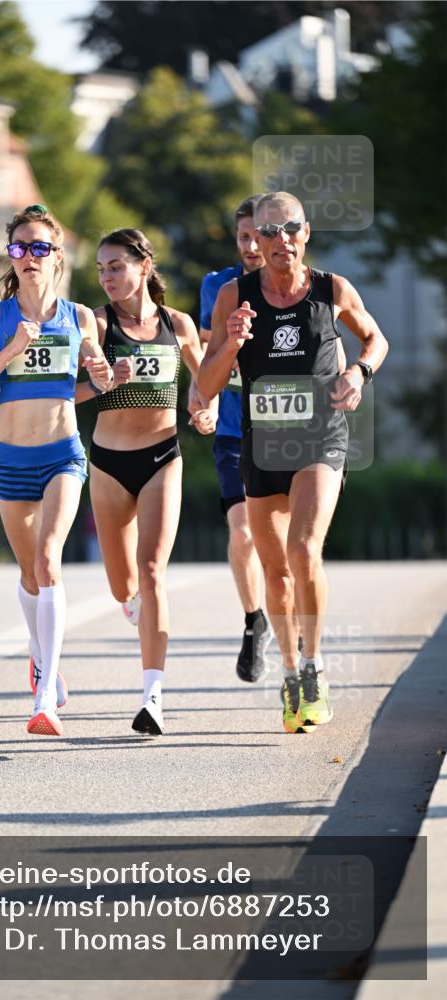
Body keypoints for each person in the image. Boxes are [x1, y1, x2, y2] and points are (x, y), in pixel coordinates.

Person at [198, 192, 388, 734]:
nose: (281, 240)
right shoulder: (235, 295)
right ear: (254, 240)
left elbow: (376, 339)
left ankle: (315, 665)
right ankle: (288, 672)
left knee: (304, 550)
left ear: (307, 234)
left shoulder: (332, 290)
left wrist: (359, 373)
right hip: (262, 451)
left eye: (291, 229)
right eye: (269, 232)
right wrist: (230, 345)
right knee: (275, 572)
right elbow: (205, 388)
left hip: (320, 441)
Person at [0, 204, 112, 737]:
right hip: (11, 459)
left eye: (40, 247)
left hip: (63, 453)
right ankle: (40, 658)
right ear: (10, 257)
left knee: (48, 560)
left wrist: (105, 372)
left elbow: (94, 383)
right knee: (29, 574)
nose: (29, 256)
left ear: (58, 256)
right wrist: (9, 350)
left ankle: (45, 697)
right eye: (19, 248)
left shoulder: (81, 317)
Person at [81, 228, 203, 736]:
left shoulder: (178, 325)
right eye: (101, 269)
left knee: (152, 570)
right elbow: (71, 392)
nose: (107, 277)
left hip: (162, 458)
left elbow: (206, 377)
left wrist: (207, 407)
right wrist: (104, 380)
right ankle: (132, 604)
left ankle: (152, 697)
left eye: (116, 266)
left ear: (144, 265)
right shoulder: (98, 322)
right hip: (108, 464)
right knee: (122, 586)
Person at [190, 195, 272, 683]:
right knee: (243, 533)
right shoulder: (217, 286)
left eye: (255, 235)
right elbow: (209, 353)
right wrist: (208, 402)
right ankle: (252, 619)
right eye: (242, 235)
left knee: (282, 545)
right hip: (233, 431)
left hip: (285, 433)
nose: (249, 245)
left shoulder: (297, 290)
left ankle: (297, 631)